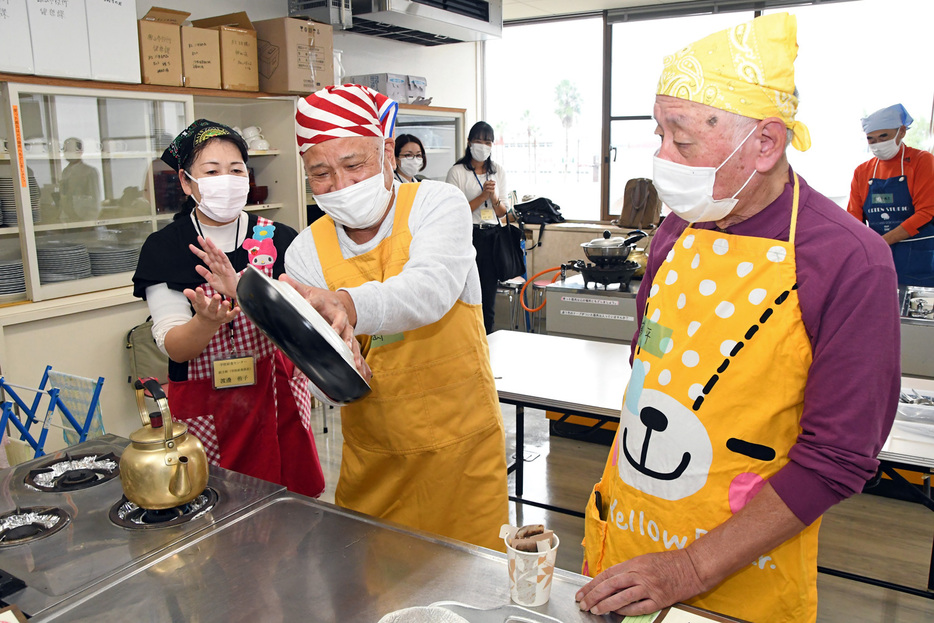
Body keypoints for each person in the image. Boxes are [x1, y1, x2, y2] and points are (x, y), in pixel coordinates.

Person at [576, 14, 900, 623]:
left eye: (683, 139)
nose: (660, 156)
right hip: (626, 542)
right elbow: (648, 364)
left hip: (738, 575)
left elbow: (838, 457)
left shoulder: (850, 260)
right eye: (658, 134)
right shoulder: (677, 229)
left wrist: (688, 569)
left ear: (767, 143)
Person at [286, 84, 509, 551]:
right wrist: (338, 375)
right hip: (377, 465)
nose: (341, 186)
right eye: (321, 173)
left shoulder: (436, 205)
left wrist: (347, 304)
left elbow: (428, 290)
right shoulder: (305, 251)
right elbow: (315, 369)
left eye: (353, 164)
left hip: (462, 457)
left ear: (387, 152)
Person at [131, 119, 325, 499]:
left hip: (278, 396)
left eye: (236, 170)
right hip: (210, 403)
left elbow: (306, 325)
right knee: (221, 504)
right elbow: (176, 347)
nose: (228, 179)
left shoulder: (281, 238)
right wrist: (205, 321)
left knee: (292, 509)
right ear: (187, 183)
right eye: (212, 171)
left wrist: (246, 294)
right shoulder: (165, 247)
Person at [847, 104, 934, 286]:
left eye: (883, 137)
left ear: (901, 132)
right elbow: (853, 219)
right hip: (878, 257)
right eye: (871, 139)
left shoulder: (922, 161)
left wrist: (880, 243)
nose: (877, 144)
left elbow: (926, 212)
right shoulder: (862, 171)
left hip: (917, 256)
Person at [445, 122, 509, 334]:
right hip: (468, 236)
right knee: (465, 293)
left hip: (492, 236)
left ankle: (487, 339)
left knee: (488, 295)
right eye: (479, 141)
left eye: (487, 142)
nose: (483, 146)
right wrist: (481, 196)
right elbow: (455, 211)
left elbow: (502, 212)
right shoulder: (457, 172)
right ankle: (465, 339)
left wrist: (494, 197)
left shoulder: (497, 170)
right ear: (469, 143)